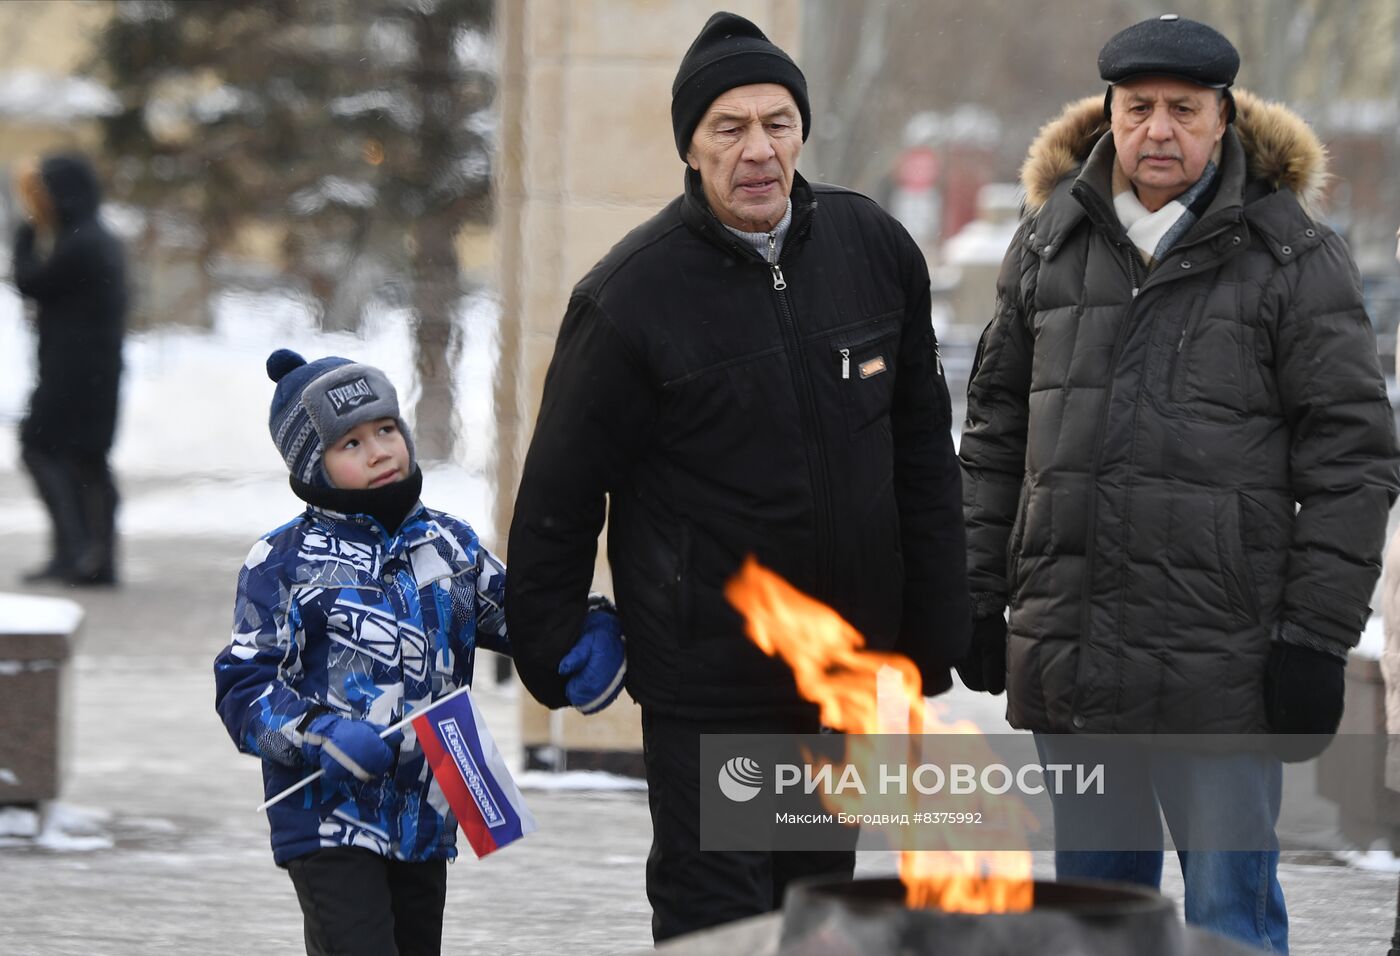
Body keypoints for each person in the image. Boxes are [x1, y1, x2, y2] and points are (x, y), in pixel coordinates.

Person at [504, 10, 970, 943]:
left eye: (776, 124)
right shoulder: (629, 296)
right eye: (729, 128)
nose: (758, 150)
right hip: (709, 681)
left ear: (801, 130)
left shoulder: (872, 249)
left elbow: (920, 447)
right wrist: (547, 640)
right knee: (717, 920)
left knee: (812, 914)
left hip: (841, 670)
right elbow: (561, 488)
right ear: (692, 145)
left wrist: (933, 623)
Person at [957, 14, 1400, 952]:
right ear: (1109, 114)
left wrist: (1315, 638)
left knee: (1231, 927)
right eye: (1138, 107)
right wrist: (977, 593)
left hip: (1224, 672)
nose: (1159, 130)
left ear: (1224, 119)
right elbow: (996, 434)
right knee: (1096, 926)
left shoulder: (1293, 255)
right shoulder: (1047, 244)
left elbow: (1352, 457)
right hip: (1075, 662)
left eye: (1183, 110)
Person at [213, 350, 625, 956]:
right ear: (313, 466)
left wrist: (590, 629)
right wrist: (318, 733)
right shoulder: (283, 562)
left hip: (425, 814)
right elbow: (245, 690)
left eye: (385, 429)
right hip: (327, 817)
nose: (380, 450)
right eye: (350, 444)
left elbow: (525, 616)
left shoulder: (448, 544)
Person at [12, 152, 127, 585]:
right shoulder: (91, 236)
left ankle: (83, 553)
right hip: (89, 371)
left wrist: (24, 232)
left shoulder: (83, 241)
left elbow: (31, 281)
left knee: (47, 449)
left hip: (78, 373)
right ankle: (88, 556)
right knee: (84, 459)